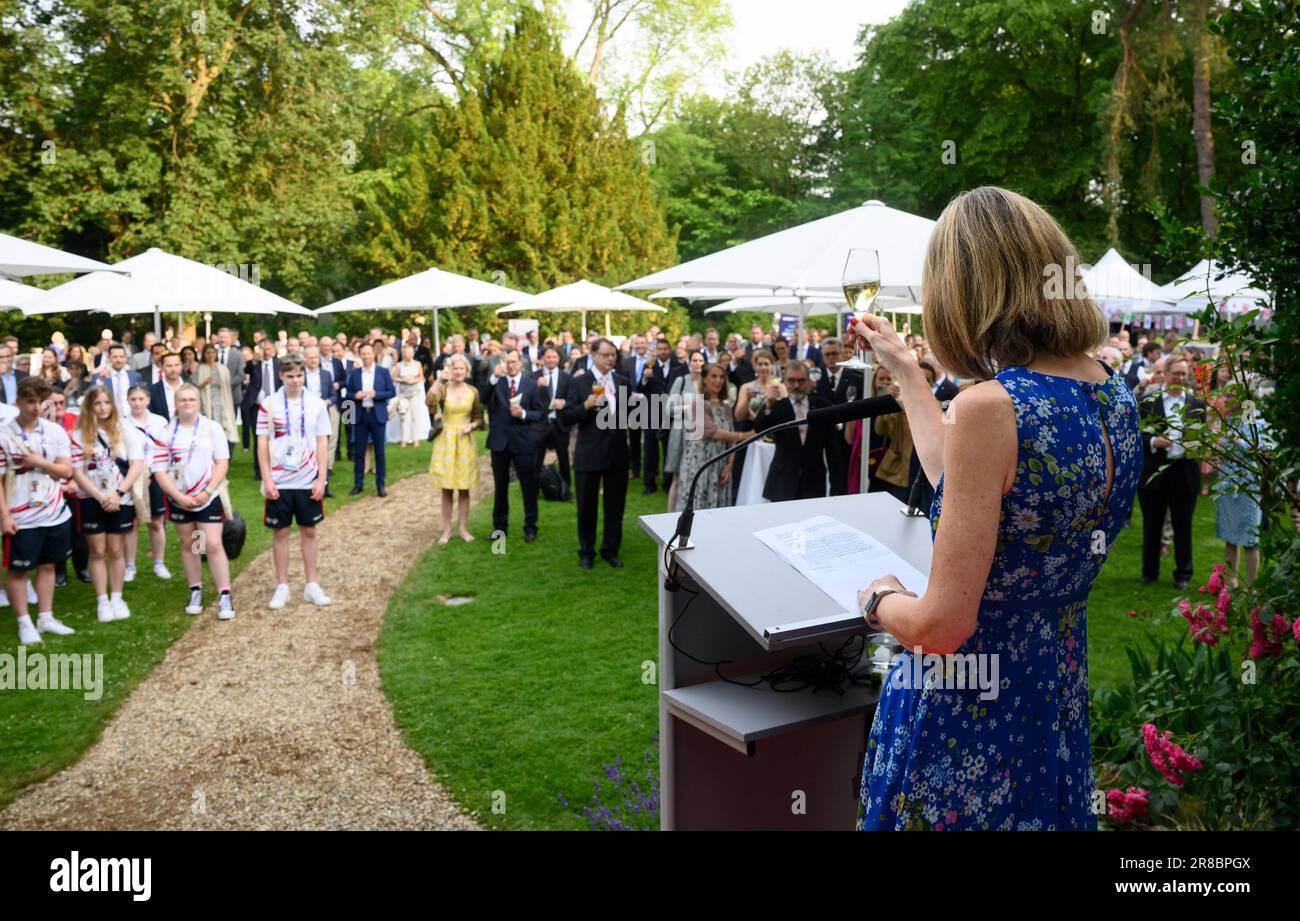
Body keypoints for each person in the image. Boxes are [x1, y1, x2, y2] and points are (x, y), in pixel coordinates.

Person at [851, 186, 1142, 831]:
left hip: (964, 718)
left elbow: (941, 626)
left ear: (964, 291)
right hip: (1052, 696)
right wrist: (907, 373)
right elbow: (966, 482)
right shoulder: (1111, 391)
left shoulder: (993, 406)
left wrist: (879, 598)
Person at [0, 378, 77, 644]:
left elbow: (66, 470)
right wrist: (4, 516)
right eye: (29, 402)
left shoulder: (53, 431)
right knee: (18, 570)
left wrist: (38, 462)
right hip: (20, 515)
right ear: (17, 402)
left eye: (40, 402)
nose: (35, 408)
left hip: (54, 510)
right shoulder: (4, 435)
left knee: (48, 565)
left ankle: (46, 617)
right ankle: (24, 623)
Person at [151, 383, 234, 619]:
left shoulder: (211, 428)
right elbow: (159, 470)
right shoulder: (165, 433)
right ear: (175, 404)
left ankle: (225, 593)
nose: (187, 404)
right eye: (183, 400)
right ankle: (196, 589)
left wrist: (207, 492)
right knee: (191, 544)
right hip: (180, 500)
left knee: (213, 544)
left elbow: (222, 462)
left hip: (207, 497)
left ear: (199, 402)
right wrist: (178, 497)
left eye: (192, 400)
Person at [256, 356, 333, 609]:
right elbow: (262, 443)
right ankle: (282, 586)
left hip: (307, 478)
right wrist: (267, 479)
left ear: (305, 376)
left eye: (299, 376)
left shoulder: (316, 405)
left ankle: (312, 584)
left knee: (309, 531)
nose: (295, 381)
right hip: (279, 479)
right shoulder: (268, 404)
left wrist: (322, 478)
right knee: (281, 532)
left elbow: (323, 441)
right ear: (281, 376)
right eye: (290, 376)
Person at [69, 385, 146, 622]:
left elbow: (136, 464)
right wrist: (100, 496)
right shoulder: (79, 434)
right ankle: (102, 600)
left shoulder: (126, 430)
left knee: (115, 549)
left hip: (120, 498)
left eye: (106, 402)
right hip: (92, 498)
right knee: (98, 550)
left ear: (112, 404)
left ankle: (117, 596)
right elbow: (78, 472)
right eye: (97, 403)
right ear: (89, 406)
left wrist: (118, 493)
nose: (102, 408)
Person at [560, 338, 630, 569]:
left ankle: (611, 549)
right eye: (607, 354)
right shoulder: (580, 382)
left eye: (614, 355)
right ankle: (586, 552)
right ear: (593, 355)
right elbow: (567, 416)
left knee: (615, 507)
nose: (611, 358)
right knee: (587, 507)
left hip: (617, 453)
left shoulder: (622, 381)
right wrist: (586, 406)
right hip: (589, 453)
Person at [1137, 356, 1204, 589]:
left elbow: (1203, 437)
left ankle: (1183, 574)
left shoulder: (1196, 404)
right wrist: (1155, 441)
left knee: (1183, 526)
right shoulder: (1148, 402)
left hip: (1184, 472)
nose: (1181, 378)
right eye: (1176, 373)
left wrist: (1196, 445)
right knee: (1152, 525)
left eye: (1185, 374)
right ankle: (1149, 571)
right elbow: (1136, 437)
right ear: (1164, 374)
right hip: (1155, 472)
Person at [480, 348, 544, 541]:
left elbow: (540, 414)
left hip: (523, 442)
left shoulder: (531, 385)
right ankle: (499, 529)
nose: (510, 365)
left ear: (521, 363)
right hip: (500, 442)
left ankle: (530, 527)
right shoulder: (496, 383)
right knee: (500, 488)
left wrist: (524, 414)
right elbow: (483, 399)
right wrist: (493, 377)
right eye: (507, 362)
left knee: (528, 486)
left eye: (514, 362)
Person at [753, 360, 833, 502]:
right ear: (784, 381)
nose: (796, 385)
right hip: (782, 480)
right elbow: (759, 428)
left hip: (814, 482)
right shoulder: (777, 406)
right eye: (791, 380)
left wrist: (836, 486)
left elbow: (833, 448)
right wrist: (768, 405)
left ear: (809, 381)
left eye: (801, 381)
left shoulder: (822, 406)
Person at [427, 354, 482, 544]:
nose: (458, 372)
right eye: (455, 368)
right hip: (446, 440)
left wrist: (471, 426)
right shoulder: (443, 389)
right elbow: (430, 401)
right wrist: (440, 379)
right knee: (447, 488)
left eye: (461, 369)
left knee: (464, 489)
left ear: (467, 371)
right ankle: (447, 530)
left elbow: (478, 417)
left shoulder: (473, 391)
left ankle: (463, 529)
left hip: (465, 441)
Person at [674, 363, 745, 511]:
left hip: (720, 464)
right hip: (699, 464)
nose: (718, 381)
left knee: (716, 510)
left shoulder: (726, 407)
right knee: (696, 508)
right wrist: (744, 435)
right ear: (704, 379)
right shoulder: (696, 403)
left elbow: (730, 435)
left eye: (721, 377)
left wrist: (730, 463)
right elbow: (712, 432)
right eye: (713, 376)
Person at [123, 383, 171, 581]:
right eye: (133, 399)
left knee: (156, 522)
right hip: (131, 476)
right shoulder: (121, 423)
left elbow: (165, 449)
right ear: (127, 401)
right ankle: (130, 566)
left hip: (156, 476)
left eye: (141, 399)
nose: (137, 403)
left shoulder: (159, 421)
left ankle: (159, 562)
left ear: (148, 400)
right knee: (131, 523)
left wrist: (152, 470)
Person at [344, 341, 395, 497]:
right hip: (360, 415)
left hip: (377, 414)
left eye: (368, 353)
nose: (366, 356)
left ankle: (381, 485)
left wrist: (377, 394)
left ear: (374, 354)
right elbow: (348, 394)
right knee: (359, 452)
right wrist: (355, 396)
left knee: (379, 452)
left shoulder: (383, 372)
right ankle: (358, 484)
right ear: (360, 355)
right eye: (363, 353)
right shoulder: (354, 374)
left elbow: (391, 392)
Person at [636, 337, 682, 495]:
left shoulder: (678, 366)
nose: (663, 352)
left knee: (670, 448)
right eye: (660, 349)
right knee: (650, 449)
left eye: (665, 349)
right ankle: (649, 483)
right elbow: (639, 388)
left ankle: (668, 483)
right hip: (652, 413)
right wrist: (644, 378)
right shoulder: (649, 366)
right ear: (656, 351)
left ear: (670, 350)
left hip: (671, 413)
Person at [664, 350, 706, 509]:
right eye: (694, 360)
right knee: (677, 477)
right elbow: (669, 408)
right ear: (689, 363)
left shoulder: (707, 383)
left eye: (701, 360)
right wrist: (688, 406)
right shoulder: (681, 381)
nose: (698, 363)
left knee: (695, 475)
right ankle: (670, 515)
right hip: (680, 431)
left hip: (699, 432)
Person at [532, 345, 572, 490]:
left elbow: (573, 399)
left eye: (554, 357)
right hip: (540, 424)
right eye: (548, 357)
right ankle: (534, 488)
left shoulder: (566, 377)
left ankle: (565, 488)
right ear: (542, 359)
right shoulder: (533, 377)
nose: (551, 360)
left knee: (563, 456)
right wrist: (536, 386)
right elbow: (528, 399)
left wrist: (565, 402)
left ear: (559, 359)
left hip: (559, 423)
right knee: (537, 457)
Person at [244, 339, 280, 480]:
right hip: (257, 407)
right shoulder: (254, 366)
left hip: (276, 407)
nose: (267, 352)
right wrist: (254, 359)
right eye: (264, 349)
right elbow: (246, 369)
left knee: (276, 437)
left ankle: (276, 467)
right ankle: (259, 471)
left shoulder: (279, 365)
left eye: (269, 349)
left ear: (274, 351)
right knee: (259, 438)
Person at [194, 344, 238, 451]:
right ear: (204, 354)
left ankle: (224, 451)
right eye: (207, 353)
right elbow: (194, 387)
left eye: (212, 352)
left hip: (222, 402)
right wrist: (205, 382)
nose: (210, 355)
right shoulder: (200, 369)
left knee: (224, 426)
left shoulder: (222, 368)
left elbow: (227, 387)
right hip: (206, 402)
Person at [391, 343, 429, 447]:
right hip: (403, 394)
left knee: (415, 416)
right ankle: (404, 439)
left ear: (413, 353)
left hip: (414, 393)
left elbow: (421, 377)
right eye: (406, 352)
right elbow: (394, 378)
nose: (408, 355)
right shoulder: (399, 365)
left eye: (410, 352)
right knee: (404, 417)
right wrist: (403, 379)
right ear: (403, 354)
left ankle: (415, 439)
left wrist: (414, 380)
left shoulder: (417, 364)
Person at [148, 351, 185, 420]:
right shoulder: (152, 390)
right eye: (169, 366)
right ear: (162, 367)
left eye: (176, 365)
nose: (173, 369)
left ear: (182, 366)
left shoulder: (192, 388)